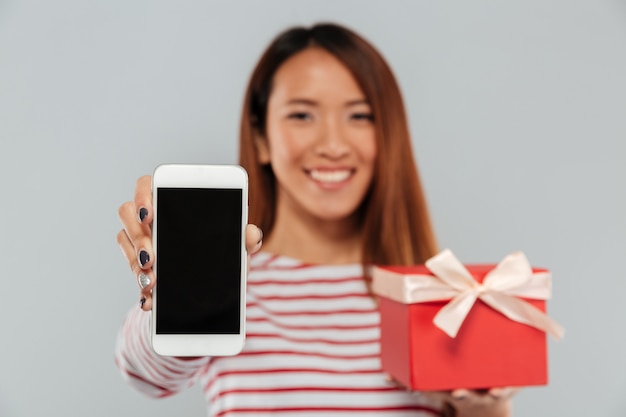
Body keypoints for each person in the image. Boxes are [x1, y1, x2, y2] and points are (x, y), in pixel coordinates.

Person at [115, 23, 517, 417]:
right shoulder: (230, 285)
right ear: (261, 137)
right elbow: (145, 375)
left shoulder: (442, 298)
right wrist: (174, 297)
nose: (332, 145)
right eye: (302, 116)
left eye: (359, 116)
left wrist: (488, 409)